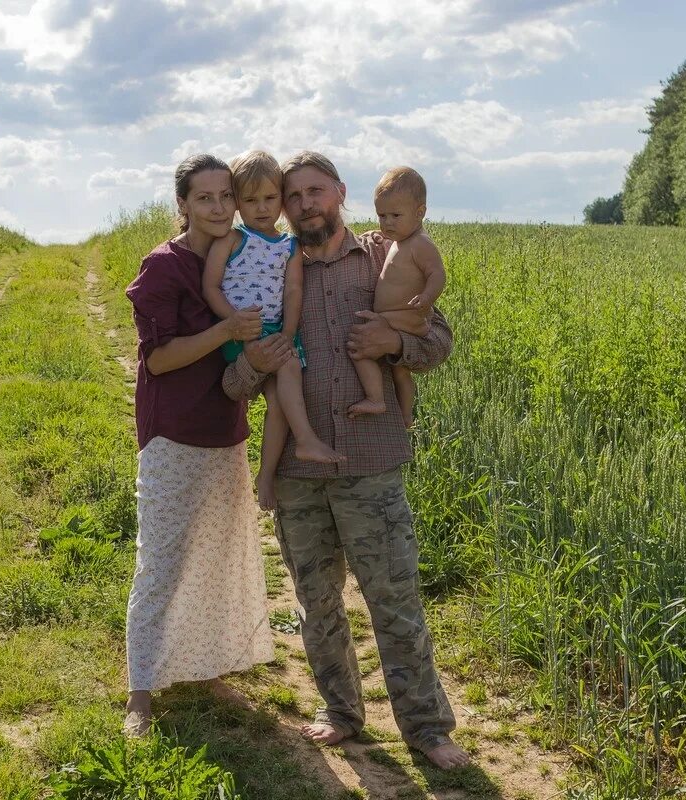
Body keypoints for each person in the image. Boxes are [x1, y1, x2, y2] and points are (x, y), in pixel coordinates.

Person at [222, 151, 471, 770]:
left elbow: (438, 340)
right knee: (318, 603)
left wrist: (399, 342)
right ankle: (340, 713)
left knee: (394, 600)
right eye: (293, 196)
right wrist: (256, 361)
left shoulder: (384, 256)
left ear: (339, 193)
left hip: (370, 462)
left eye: (316, 191)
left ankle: (427, 730)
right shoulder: (268, 269)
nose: (305, 204)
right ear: (282, 208)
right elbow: (232, 385)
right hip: (300, 476)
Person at [123, 153, 274, 736]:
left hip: (225, 430)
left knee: (214, 553)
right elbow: (158, 359)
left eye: (224, 196)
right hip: (172, 433)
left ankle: (202, 666)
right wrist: (223, 332)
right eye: (203, 198)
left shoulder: (240, 254)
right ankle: (140, 694)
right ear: (182, 204)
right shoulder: (164, 267)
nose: (217, 207)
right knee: (160, 562)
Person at [203, 150, 344, 511]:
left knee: (280, 400)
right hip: (243, 330)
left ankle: (266, 473)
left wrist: (289, 333)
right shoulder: (232, 240)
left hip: (278, 330)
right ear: (237, 203)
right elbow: (211, 286)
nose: (262, 208)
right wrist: (233, 323)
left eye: (270, 198)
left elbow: (293, 290)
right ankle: (306, 438)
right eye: (250, 200)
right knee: (290, 370)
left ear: (280, 200)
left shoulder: (289, 246)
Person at [348, 167, 446, 428]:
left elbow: (437, 274)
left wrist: (426, 297)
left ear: (420, 212)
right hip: (394, 317)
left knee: (361, 347)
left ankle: (376, 397)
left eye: (395, 216)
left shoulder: (420, 244)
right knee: (400, 371)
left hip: (404, 316)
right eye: (382, 215)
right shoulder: (398, 241)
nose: (387, 223)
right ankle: (405, 416)